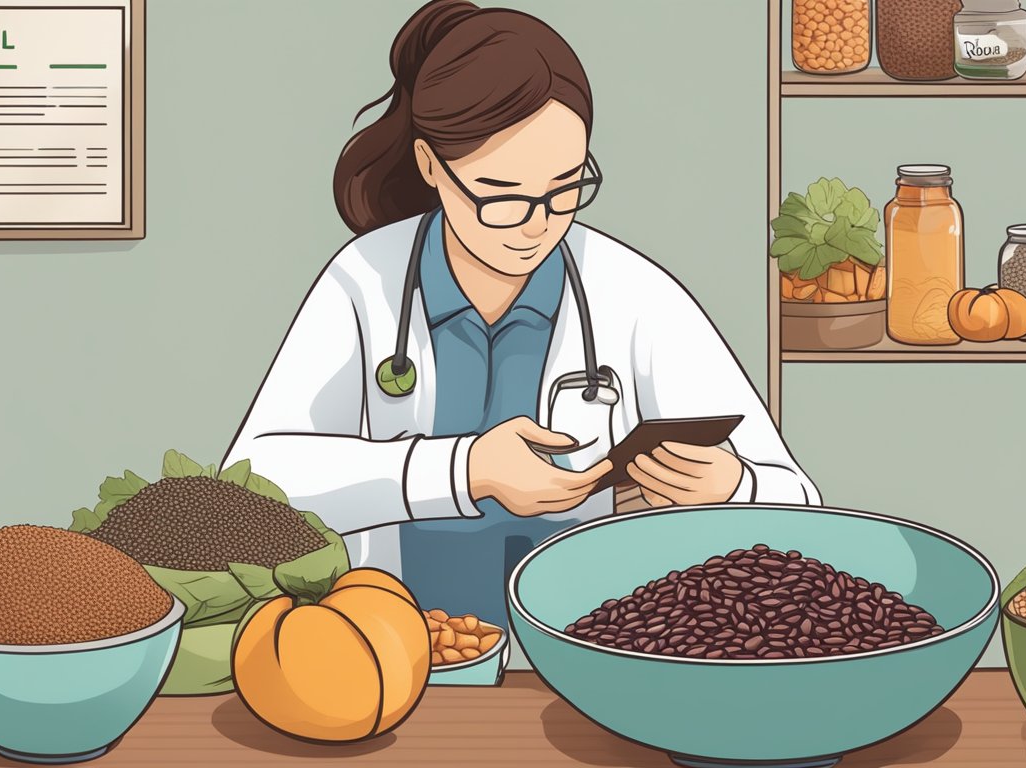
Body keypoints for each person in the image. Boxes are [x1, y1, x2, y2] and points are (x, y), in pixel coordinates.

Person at [223, 0, 820, 629]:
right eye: (502, 198)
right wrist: (464, 470)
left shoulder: (636, 294)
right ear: (431, 166)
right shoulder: (363, 282)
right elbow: (248, 491)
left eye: (564, 188)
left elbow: (799, 499)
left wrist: (733, 486)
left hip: (587, 654)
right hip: (392, 654)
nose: (538, 225)